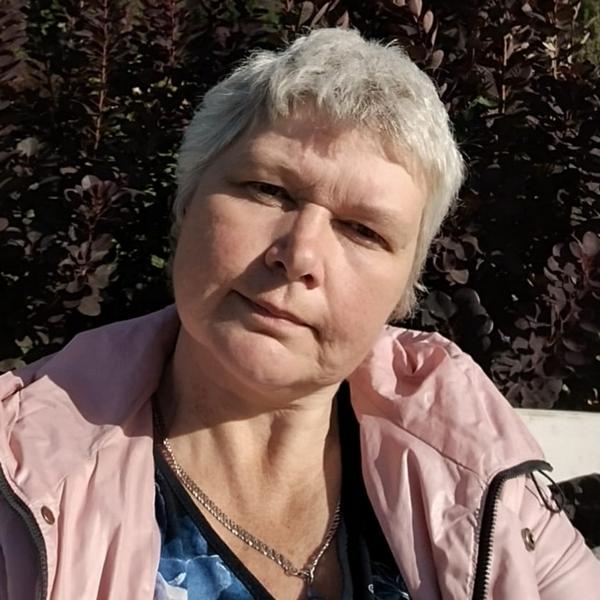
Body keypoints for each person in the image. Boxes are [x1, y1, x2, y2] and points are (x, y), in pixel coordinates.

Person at [0, 27, 598, 600]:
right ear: (187, 203)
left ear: (402, 292)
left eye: (363, 230)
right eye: (269, 190)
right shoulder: (21, 462)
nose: (299, 256)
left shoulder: (474, 468)